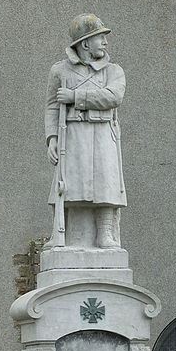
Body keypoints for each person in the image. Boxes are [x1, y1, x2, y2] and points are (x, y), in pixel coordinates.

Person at [45, 14, 126, 249]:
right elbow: (51, 105)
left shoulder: (113, 71)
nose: (105, 42)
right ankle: (62, 234)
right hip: (73, 135)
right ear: (85, 43)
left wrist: (76, 97)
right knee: (68, 185)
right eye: (100, 37)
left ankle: (106, 234)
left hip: (103, 133)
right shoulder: (60, 71)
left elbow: (113, 97)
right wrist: (51, 138)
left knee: (106, 183)